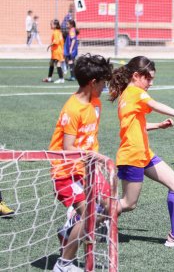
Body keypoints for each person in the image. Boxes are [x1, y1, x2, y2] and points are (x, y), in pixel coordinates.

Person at [109, 56, 174, 248]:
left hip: (144, 153)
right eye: (148, 79)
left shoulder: (127, 93)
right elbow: (155, 105)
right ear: (136, 76)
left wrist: (158, 126)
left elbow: (135, 127)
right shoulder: (135, 92)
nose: (151, 83)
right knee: (128, 203)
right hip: (133, 156)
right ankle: (86, 214)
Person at [49, 53, 113, 271]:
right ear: (92, 82)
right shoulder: (72, 109)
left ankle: (68, 230)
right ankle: (64, 264)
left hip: (88, 170)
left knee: (113, 207)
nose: (105, 87)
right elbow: (68, 148)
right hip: (67, 172)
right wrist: (95, 156)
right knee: (88, 215)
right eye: (103, 83)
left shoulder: (95, 102)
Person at [42, 19, 65, 84]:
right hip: (56, 51)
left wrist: (49, 45)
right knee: (51, 63)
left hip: (57, 51)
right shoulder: (58, 31)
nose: (50, 25)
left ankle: (61, 79)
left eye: (51, 24)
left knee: (58, 64)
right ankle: (49, 78)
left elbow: (56, 42)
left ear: (55, 25)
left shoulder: (55, 32)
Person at [61, 3, 74, 74]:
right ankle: (66, 67)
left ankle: (66, 66)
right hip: (65, 34)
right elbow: (68, 26)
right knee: (67, 52)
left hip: (64, 33)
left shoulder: (68, 16)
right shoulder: (69, 17)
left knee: (66, 52)